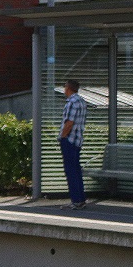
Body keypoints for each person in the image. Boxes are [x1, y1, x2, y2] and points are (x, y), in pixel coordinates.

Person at [59, 79, 88, 210]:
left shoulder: (71, 102)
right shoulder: (82, 101)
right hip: (78, 140)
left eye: (65, 87)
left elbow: (69, 123)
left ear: (68, 88)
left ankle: (75, 200)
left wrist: (62, 136)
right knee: (76, 170)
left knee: (70, 171)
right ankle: (80, 199)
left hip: (69, 140)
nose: (64, 89)